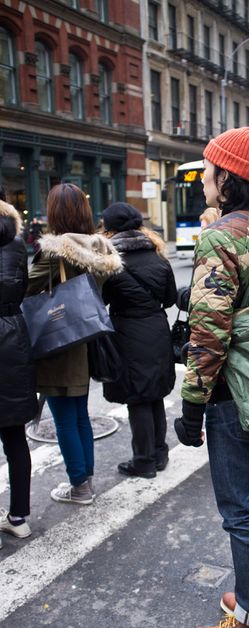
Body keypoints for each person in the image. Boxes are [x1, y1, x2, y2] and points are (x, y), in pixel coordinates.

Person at [174, 126, 249, 628]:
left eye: (209, 170)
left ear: (229, 177)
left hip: (229, 394)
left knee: (239, 506)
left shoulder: (221, 237)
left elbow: (209, 330)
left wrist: (191, 407)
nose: (203, 180)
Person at [27, 183, 122, 505]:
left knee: (64, 417)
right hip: (83, 340)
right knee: (79, 414)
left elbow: (23, 286)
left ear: (55, 213)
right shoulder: (98, 248)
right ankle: (86, 480)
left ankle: (80, 485)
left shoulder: (57, 252)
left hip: (58, 342)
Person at [101, 203, 177, 478]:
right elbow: (169, 299)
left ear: (110, 230)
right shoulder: (159, 257)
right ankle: (159, 453)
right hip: (157, 328)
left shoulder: (110, 263)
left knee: (138, 398)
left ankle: (143, 460)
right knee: (154, 393)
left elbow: (101, 302)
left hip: (127, 332)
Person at [0, 199, 38, 546]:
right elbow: (22, 287)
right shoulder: (15, 244)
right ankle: (19, 517)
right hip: (13, 335)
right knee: (15, 436)